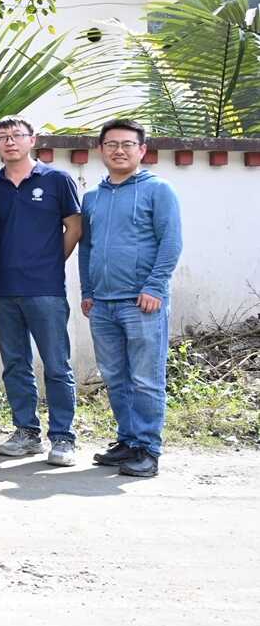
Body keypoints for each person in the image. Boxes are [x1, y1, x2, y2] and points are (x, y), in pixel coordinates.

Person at [79, 119, 183, 478]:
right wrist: (88, 291)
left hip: (141, 302)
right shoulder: (93, 198)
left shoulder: (158, 190)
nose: (119, 150)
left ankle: (148, 449)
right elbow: (87, 248)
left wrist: (154, 287)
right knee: (115, 377)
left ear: (142, 150)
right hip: (102, 304)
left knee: (145, 379)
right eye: (111, 144)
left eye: (127, 144)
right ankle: (127, 440)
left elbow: (171, 242)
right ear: (101, 150)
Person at [0, 116, 82, 467]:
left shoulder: (57, 179)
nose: (10, 141)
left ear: (32, 140)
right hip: (4, 288)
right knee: (15, 364)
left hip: (46, 289)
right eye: (3, 136)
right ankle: (26, 432)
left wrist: (51, 261)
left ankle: (63, 437)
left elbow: (74, 227)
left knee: (56, 364)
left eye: (17, 135)